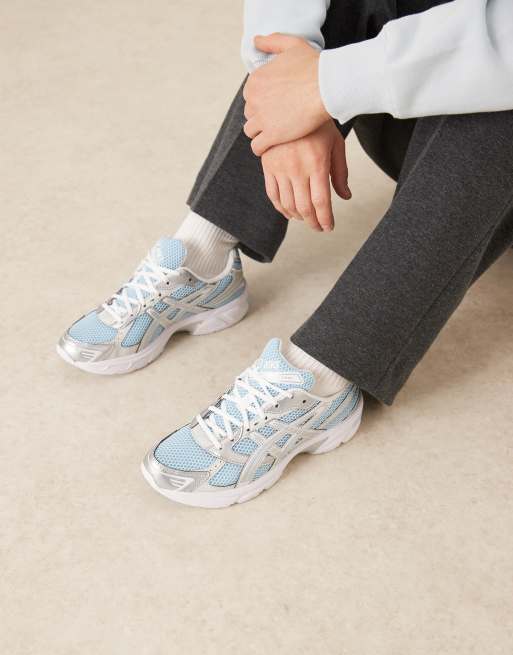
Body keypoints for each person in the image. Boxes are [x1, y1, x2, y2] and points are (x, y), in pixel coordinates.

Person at [57, 0, 513, 508]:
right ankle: (204, 256)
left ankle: (321, 381)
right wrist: (288, 102)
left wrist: (322, 85)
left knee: (502, 99)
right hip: (427, 113)